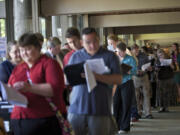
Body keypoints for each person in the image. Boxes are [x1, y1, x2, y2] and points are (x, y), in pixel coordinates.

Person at [8, 33, 66, 135]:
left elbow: (55, 89)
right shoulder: (19, 68)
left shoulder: (49, 64)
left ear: (38, 47)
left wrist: (30, 88)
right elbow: (10, 87)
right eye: (22, 50)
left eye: (28, 49)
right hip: (19, 118)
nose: (24, 53)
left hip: (44, 120)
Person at [67, 27, 122, 135]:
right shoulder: (75, 56)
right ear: (82, 42)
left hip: (100, 108)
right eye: (88, 42)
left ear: (99, 39)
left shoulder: (110, 56)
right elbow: (68, 80)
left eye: (95, 41)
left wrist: (96, 76)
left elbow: (118, 79)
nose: (92, 45)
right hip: (76, 108)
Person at [113, 42, 137, 134]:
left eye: (121, 52)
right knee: (116, 105)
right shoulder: (114, 59)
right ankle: (116, 126)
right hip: (116, 83)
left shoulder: (130, 59)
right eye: (117, 51)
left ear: (124, 51)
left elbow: (134, 71)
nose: (119, 54)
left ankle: (124, 127)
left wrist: (128, 71)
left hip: (126, 83)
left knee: (125, 105)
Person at [131, 44, 153, 119]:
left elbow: (148, 64)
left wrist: (149, 68)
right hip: (135, 77)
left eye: (137, 49)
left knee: (146, 95)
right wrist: (135, 71)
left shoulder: (144, 55)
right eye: (134, 49)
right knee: (136, 96)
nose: (136, 50)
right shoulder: (130, 57)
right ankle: (138, 112)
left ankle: (148, 113)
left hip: (144, 76)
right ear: (132, 50)